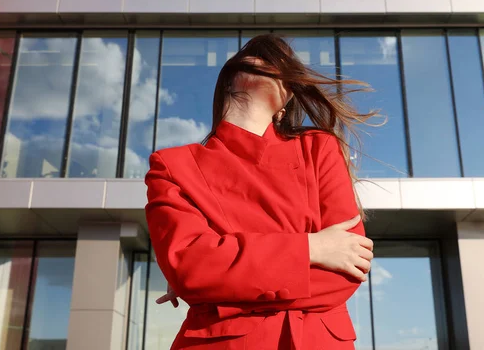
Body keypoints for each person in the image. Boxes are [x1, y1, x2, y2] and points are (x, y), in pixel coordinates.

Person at [145, 33, 377, 349]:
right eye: (255, 55)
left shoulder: (319, 148)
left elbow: (347, 272)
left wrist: (219, 286)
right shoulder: (173, 165)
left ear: (286, 104)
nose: (264, 59)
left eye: (278, 61)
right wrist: (311, 249)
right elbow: (189, 267)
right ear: (228, 80)